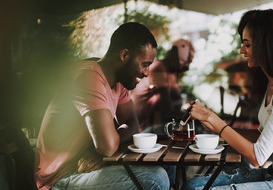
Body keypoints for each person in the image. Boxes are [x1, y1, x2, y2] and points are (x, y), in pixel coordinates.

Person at [183, 9, 273, 190]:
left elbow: (258, 156)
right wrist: (214, 125)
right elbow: (262, 138)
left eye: (248, 45)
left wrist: (214, 120)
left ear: (268, 46)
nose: (241, 50)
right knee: (193, 184)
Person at [34, 22, 173, 190]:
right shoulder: (88, 77)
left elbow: (132, 125)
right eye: (144, 64)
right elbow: (107, 147)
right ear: (124, 55)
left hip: (85, 167)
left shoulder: (118, 79)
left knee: (168, 164)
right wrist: (104, 148)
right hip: (60, 177)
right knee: (155, 179)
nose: (146, 73)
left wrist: (99, 152)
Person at [130, 39, 195, 133]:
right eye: (185, 62)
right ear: (175, 57)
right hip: (146, 129)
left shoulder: (171, 73)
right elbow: (166, 108)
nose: (187, 67)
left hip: (158, 125)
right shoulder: (159, 68)